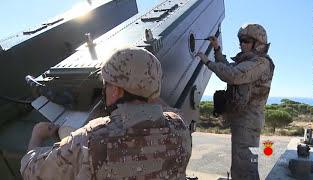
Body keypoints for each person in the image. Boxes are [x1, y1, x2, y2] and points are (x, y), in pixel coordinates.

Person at [20, 46, 192, 179]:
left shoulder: (90, 138)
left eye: (107, 85)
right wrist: (147, 92)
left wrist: (38, 135)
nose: (105, 90)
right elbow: (169, 111)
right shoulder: (179, 128)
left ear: (116, 90)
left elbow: (30, 170)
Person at [196, 23, 275, 180]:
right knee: (241, 165)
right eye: (240, 41)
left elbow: (233, 75)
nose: (241, 44)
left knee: (245, 169)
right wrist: (217, 49)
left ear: (258, 43)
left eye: (245, 40)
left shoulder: (260, 62)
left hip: (248, 121)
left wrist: (208, 63)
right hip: (243, 119)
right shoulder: (248, 62)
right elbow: (228, 67)